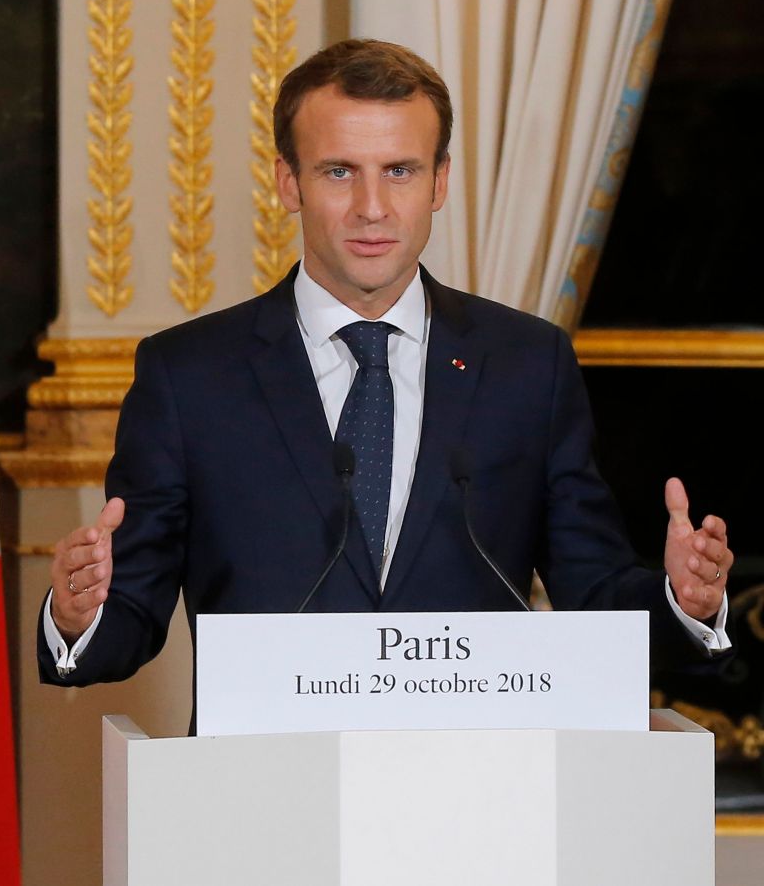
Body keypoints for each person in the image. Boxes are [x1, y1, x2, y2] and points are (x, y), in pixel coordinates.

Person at [41, 39, 732, 687]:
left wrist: (681, 602)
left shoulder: (527, 363)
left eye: (399, 171)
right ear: (289, 183)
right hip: (260, 795)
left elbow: (597, 598)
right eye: (339, 172)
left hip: (477, 786)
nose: (372, 209)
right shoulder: (187, 375)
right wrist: (77, 617)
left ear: (438, 182)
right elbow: (125, 617)